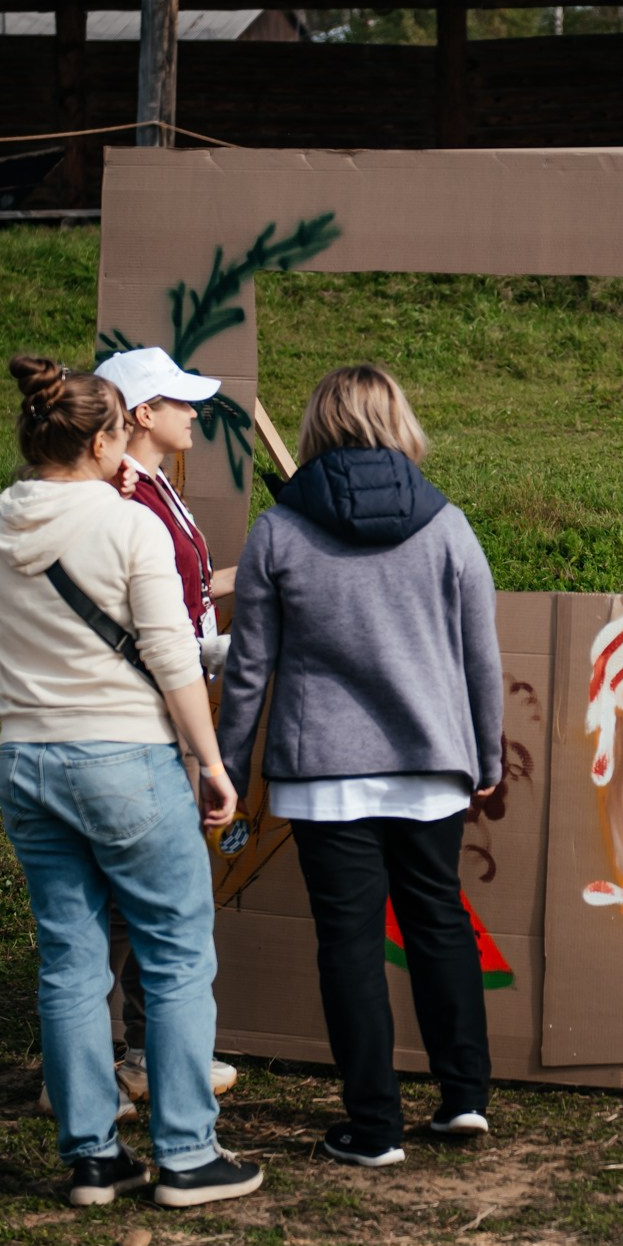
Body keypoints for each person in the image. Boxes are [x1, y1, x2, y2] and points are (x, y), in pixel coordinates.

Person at [0, 355, 262, 1209]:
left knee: (69, 958)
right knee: (175, 952)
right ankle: (185, 1154)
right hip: (124, 759)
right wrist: (211, 764)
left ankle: (92, 1159)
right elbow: (172, 659)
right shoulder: (129, 527)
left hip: (26, 759)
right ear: (105, 439)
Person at [216, 364, 502, 1169]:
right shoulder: (447, 525)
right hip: (429, 763)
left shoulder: (280, 531)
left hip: (323, 774)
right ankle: (464, 1099)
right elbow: (481, 652)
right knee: (438, 923)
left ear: (316, 426)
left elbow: (249, 669)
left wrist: (229, 769)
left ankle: (373, 1128)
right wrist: (484, 753)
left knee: (349, 943)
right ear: (399, 421)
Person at [72, 345, 245, 1115]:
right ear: (141, 414)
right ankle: (112, 1061)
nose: (193, 412)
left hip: (173, 699)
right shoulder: (119, 498)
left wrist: (268, 575)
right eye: (179, 402)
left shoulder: (157, 488)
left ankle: (145, 1054)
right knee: (133, 896)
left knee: (154, 891)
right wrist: (222, 651)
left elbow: (192, 587)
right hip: (147, 711)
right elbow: (150, 623)